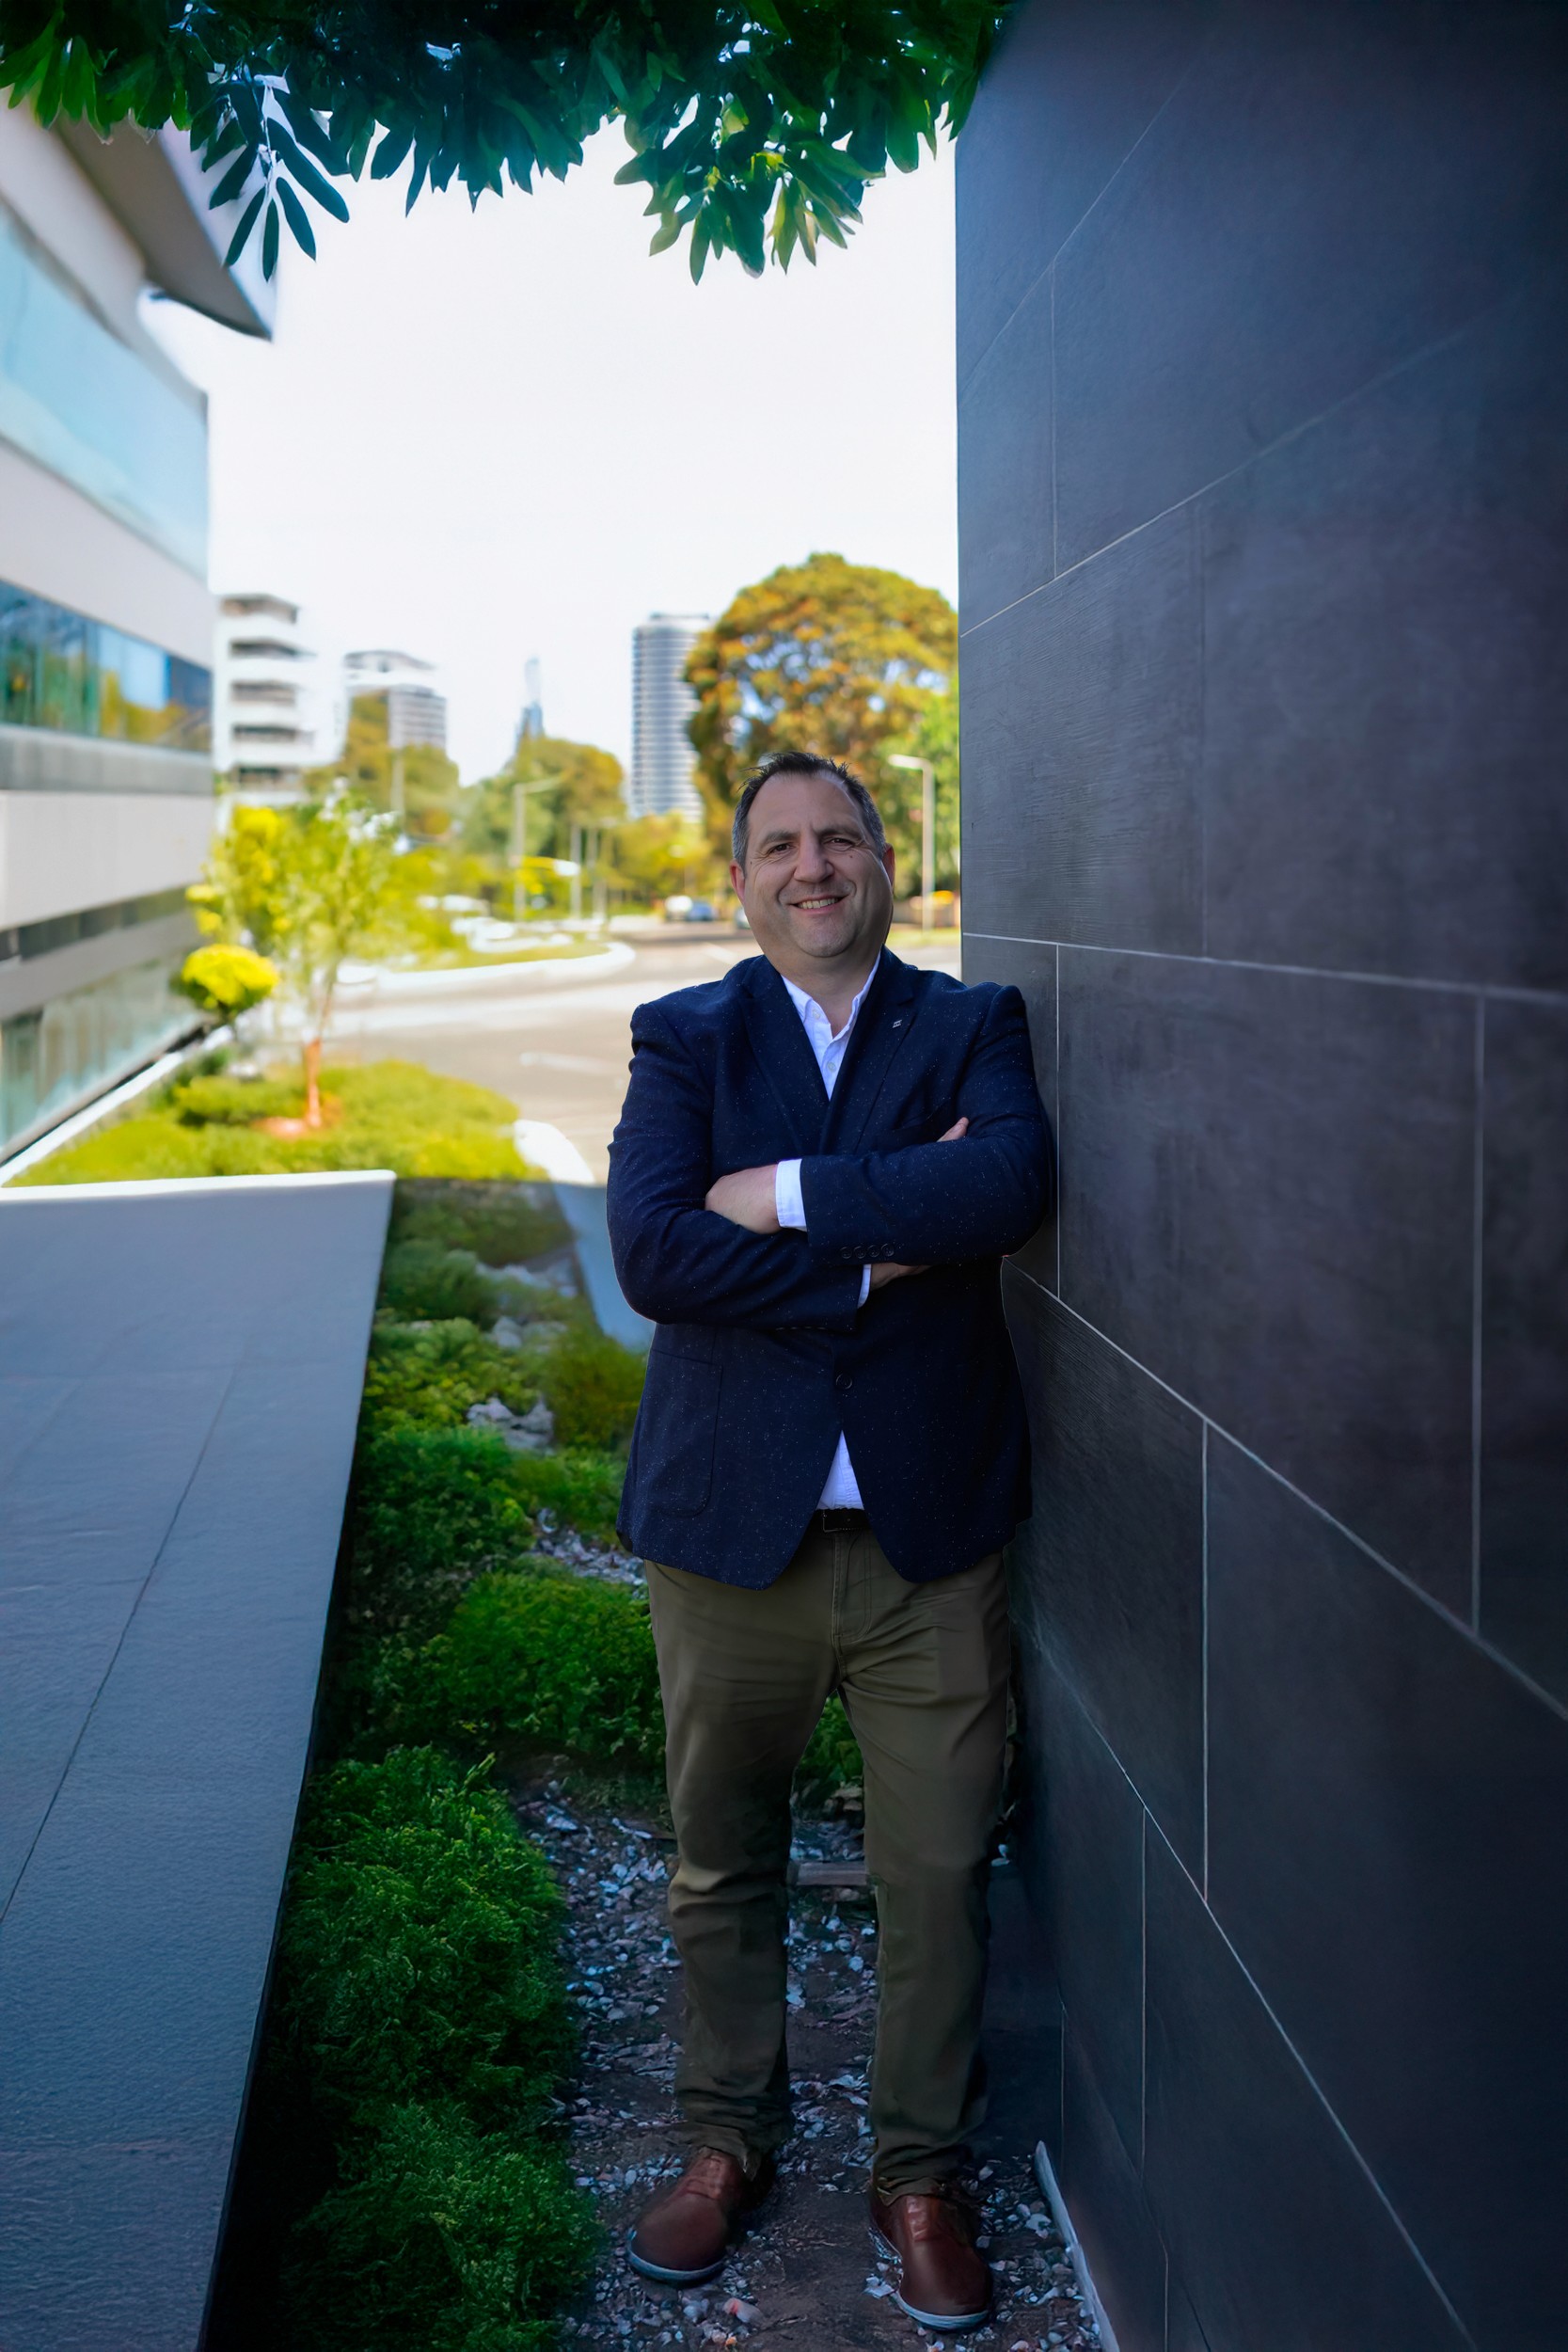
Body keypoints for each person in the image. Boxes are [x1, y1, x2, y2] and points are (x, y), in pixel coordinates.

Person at [605, 752, 1051, 2334]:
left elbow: (1004, 1182)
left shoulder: (971, 1025)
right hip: (736, 1538)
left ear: (885, 861)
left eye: (839, 838)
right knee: (721, 1861)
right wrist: (874, 1254)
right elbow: (655, 1249)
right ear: (742, 880)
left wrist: (784, 1192)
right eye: (779, 845)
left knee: (936, 1872)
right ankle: (728, 2142)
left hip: (932, 1539)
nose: (812, 865)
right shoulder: (689, 1033)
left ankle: (918, 2173)